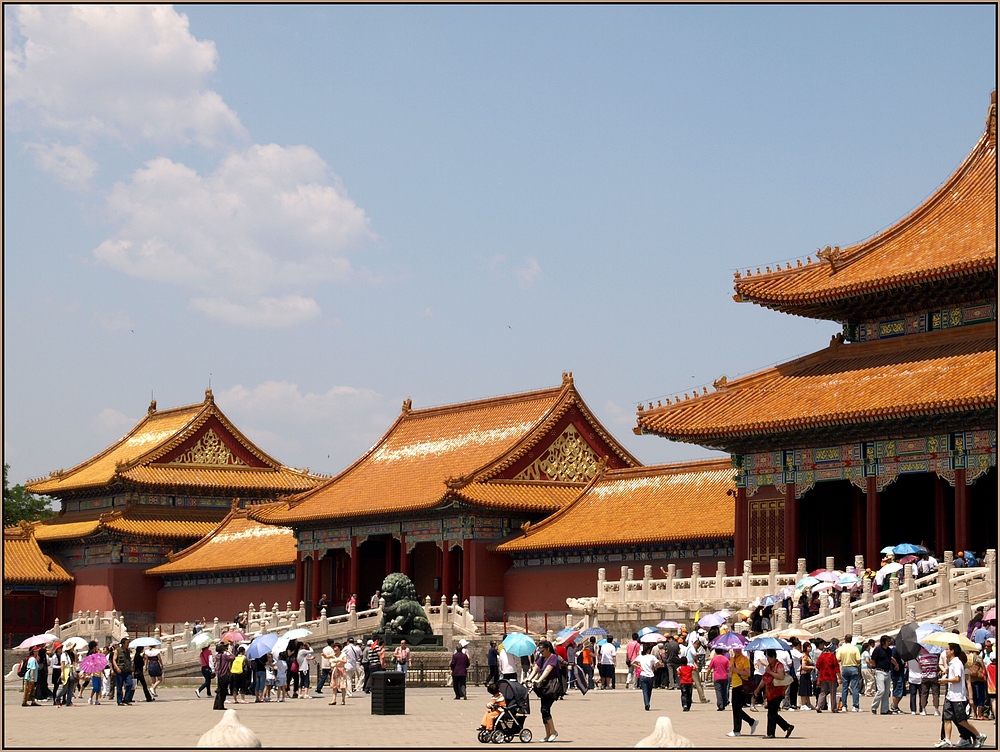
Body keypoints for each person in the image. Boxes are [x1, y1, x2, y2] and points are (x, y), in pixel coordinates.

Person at [935, 643, 985, 749]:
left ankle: (978, 735)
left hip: (958, 697)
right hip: (950, 696)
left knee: (961, 720)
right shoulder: (952, 663)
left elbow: (957, 679)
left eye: (947, 649)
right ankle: (947, 740)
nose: (946, 651)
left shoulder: (957, 663)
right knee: (947, 718)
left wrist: (945, 680)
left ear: (952, 651)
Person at [753, 649, 793, 739]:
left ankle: (771, 733)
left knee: (772, 712)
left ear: (773, 657)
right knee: (772, 712)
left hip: (777, 692)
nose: (767, 659)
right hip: (770, 692)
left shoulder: (779, 665)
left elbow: (781, 676)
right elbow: (765, 678)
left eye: (768, 657)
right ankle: (787, 727)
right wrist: (758, 689)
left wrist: (770, 672)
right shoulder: (769, 666)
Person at [527, 640, 560, 743]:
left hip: (552, 686)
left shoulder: (553, 657)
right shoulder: (541, 658)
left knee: (545, 709)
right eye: (540, 651)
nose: (541, 653)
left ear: (548, 649)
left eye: (542, 651)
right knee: (543, 710)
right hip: (543, 687)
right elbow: (535, 669)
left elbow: (547, 670)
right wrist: (528, 678)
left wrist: (539, 679)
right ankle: (547, 734)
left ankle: (554, 732)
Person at [727, 646, 758, 737]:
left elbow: (748, 673)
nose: (736, 650)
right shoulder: (732, 659)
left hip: (742, 685)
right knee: (736, 708)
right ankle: (751, 721)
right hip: (735, 684)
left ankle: (737, 730)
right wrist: (730, 671)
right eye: (735, 648)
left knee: (737, 708)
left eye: (738, 648)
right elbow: (730, 673)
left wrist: (735, 670)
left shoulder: (744, 659)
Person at [633, 642, 661, 711]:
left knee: (644, 691)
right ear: (648, 650)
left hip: (643, 675)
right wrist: (655, 667)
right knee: (649, 691)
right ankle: (647, 702)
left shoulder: (641, 657)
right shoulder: (652, 657)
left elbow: (632, 662)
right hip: (650, 675)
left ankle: (646, 703)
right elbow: (659, 663)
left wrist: (639, 667)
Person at [837, 635, 862, 711]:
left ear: (845, 640)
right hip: (853, 667)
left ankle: (844, 706)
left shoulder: (841, 649)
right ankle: (855, 706)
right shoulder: (855, 648)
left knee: (844, 688)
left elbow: (838, 659)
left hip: (845, 667)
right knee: (854, 687)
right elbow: (858, 660)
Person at [871, 635, 893, 715]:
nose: (889, 643)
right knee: (881, 690)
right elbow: (873, 659)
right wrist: (874, 668)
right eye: (888, 641)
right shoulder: (878, 649)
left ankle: (884, 709)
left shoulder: (889, 650)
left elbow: (890, 658)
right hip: (880, 671)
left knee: (887, 692)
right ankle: (874, 706)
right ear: (883, 642)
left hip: (888, 671)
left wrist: (896, 664)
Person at [815, 642, 840, 712]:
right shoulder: (832, 656)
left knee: (823, 692)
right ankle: (833, 708)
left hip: (823, 676)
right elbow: (836, 667)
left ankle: (818, 706)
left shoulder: (821, 656)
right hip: (831, 676)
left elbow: (817, 666)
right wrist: (839, 677)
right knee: (833, 693)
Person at [919, 647, 942, 716]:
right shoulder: (935, 657)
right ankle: (936, 710)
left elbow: (920, 667)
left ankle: (923, 709)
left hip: (924, 677)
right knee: (935, 694)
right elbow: (937, 666)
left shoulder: (921, 657)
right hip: (933, 676)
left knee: (924, 694)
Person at [112, 637, 135, 706]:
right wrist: (116, 668)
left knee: (129, 684)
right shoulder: (117, 651)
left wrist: (131, 667)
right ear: (123, 644)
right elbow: (114, 660)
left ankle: (126, 699)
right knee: (119, 686)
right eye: (127, 643)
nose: (128, 644)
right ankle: (119, 701)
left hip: (127, 670)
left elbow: (128, 659)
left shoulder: (127, 651)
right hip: (120, 670)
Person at [212, 643, 234, 711]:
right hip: (224, 674)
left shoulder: (217, 656)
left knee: (219, 690)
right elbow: (233, 657)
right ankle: (221, 705)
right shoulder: (225, 656)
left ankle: (216, 704)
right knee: (223, 691)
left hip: (219, 675)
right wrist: (230, 652)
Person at [798, 640, 816, 710]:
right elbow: (803, 666)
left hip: (808, 674)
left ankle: (808, 703)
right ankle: (803, 704)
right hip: (804, 674)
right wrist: (811, 667)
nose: (810, 648)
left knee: (808, 689)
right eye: (808, 647)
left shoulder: (808, 656)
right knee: (804, 689)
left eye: (810, 646)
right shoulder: (804, 656)